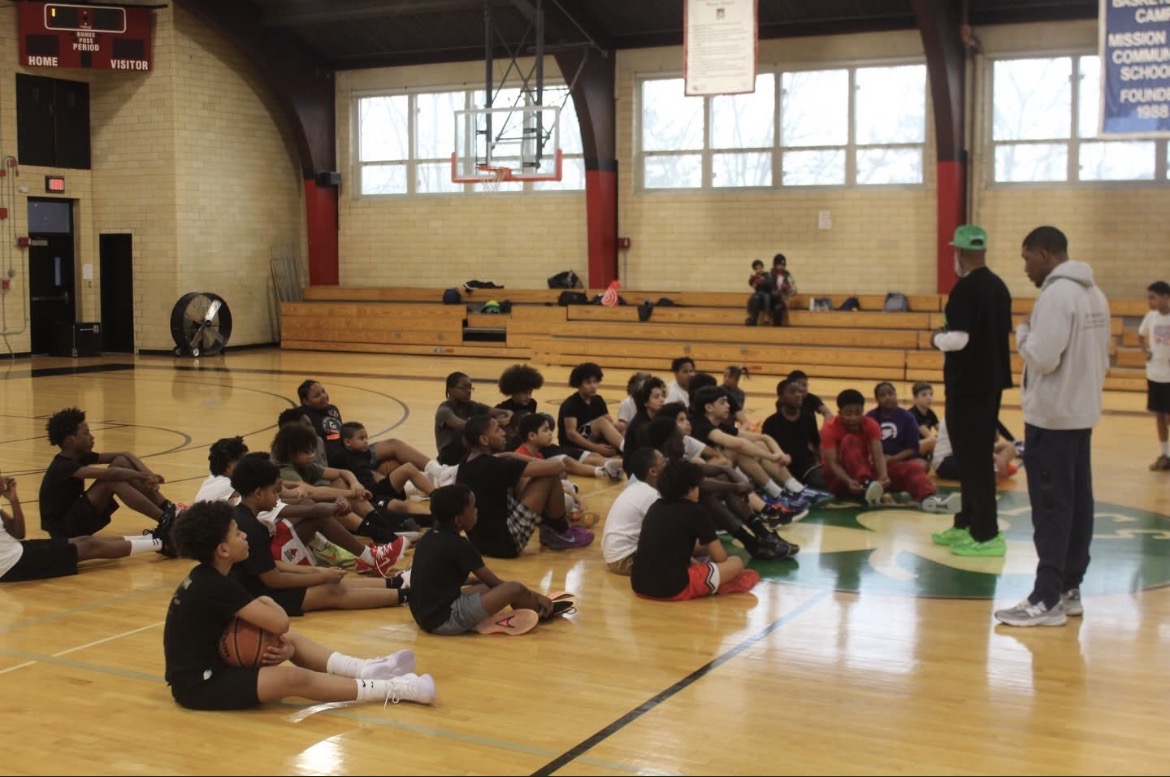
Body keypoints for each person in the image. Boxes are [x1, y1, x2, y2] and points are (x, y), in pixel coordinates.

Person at [163, 500, 434, 711]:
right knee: (293, 679)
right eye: (237, 533)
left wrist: (284, 647)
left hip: (217, 662)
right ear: (222, 550)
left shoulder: (211, 575)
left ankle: (362, 669)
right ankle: (393, 689)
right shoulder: (215, 585)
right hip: (200, 684)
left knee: (288, 640)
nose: (244, 535)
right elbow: (280, 622)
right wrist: (267, 600)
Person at [994, 226, 1110, 627]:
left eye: (1027, 258)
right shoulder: (1095, 294)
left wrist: (1023, 333)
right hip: (1080, 414)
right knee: (1077, 503)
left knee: (1050, 508)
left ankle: (1045, 599)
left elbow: (1043, 358)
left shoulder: (1056, 295)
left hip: (1053, 418)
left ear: (1044, 254)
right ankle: (1068, 588)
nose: (1025, 268)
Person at [228, 453, 409, 613]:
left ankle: (397, 582)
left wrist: (316, 571)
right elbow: (273, 580)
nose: (277, 497)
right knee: (332, 591)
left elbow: (270, 564)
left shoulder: (246, 517)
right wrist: (320, 576)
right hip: (259, 596)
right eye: (274, 492)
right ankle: (408, 595)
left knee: (331, 581)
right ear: (258, 493)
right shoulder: (251, 528)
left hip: (260, 585)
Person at [928, 224, 1014, 557]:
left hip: (967, 387)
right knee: (970, 458)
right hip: (990, 384)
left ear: (960, 253)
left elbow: (960, 339)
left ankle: (986, 534)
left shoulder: (965, 290)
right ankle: (965, 522)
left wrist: (936, 339)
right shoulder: (999, 287)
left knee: (974, 461)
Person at [408, 484, 553, 635]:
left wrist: (473, 581)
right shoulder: (460, 545)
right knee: (514, 589)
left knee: (487, 587)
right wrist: (535, 595)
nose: (477, 511)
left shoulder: (428, 538)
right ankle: (540, 609)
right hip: (445, 620)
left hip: (424, 617)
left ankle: (524, 604)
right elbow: (495, 583)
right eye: (473, 508)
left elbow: (436, 580)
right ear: (458, 520)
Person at [195, 436, 358, 568]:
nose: (249, 466)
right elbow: (282, 492)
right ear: (229, 467)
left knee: (304, 507)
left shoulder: (215, 480)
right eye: (244, 462)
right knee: (308, 509)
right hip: (228, 547)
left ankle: (327, 547)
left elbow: (278, 487)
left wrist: (297, 486)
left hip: (224, 542)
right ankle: (338, 547)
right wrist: (346, 496)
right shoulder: (228, 486)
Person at [38, 407, 178, 553]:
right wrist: (142, 476)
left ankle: (167, 507)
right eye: (86, 433)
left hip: (75, 517)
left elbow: (125, 455)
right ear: (70, 440)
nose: (92, 437)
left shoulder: (79, 456)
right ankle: (166, 521)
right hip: (63, 530)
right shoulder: (62, 466)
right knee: (111, 482)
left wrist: (150, 475)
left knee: (121, 461)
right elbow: (112, 474)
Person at [456, 415, 592, 557]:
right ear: (484, 440)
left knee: (520, 480)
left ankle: (550, 527)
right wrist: (512, 455)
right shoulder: (495, 464)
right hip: (506, 544)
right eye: (497, 430)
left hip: (480, 543)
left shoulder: (465, 462)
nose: (503, 433)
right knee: (549, 475)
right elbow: (558, 467)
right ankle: (561, 531)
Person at [630, 459, 761, 600]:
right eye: (697, 486)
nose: (699, 490)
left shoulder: (655, 507)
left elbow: (667, 550)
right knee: (736, 562)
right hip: (674, 589)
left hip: (639, 585)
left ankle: (710, 578)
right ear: (689, 489)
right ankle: (718, 584)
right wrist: (721, 570)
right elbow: (721, 558)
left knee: (697, 551)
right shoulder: (696, 511)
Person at [0, 475, 163, 582]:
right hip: (12, 565)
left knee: (84, 540)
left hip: (18, 549)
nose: (3, 479)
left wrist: (14, 500)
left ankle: (154, 538)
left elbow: (19, 533)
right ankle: (163, 543)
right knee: (91, 546)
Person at [821, 389, 960, 513]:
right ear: (839, 413)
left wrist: (883, 476)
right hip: (842, 480)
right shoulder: (829, 428)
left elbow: (878, 455)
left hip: (871, 477)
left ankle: (929, 498)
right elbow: (833, 464)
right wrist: (849, 481)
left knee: (912, 467)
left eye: (857, 413)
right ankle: (867, 483)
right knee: (850, 440)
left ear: (863, 411)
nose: (853, 418)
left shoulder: (870, 424)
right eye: (848, 414)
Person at [299, 380, 436, 477]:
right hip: (340, 463)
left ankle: (437, 471)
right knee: (389, 466)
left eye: (323, 391)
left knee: (394, 447)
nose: (323, 396)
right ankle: (423, 482)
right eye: (317, 395)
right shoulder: (304, 418)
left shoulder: (332, 409)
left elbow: (342, 435)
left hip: (352, 450)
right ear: (305, 401)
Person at [601, 448, 663, 575]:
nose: (668, 465)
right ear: (653, 471)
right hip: (625, 559)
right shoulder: (650, 495)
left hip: (616, 556)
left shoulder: (638, 487)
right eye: (664, 462)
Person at [762, 378, 827, 490]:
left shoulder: (809, 418)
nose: (798, 395)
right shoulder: (771, 422)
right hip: (782, 468)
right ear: (781, 397)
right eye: (792, 392)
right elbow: (765, 451)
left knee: (826, 480)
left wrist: (823, 464)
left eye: (799, 392)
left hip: (806, 468)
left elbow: (817, 444)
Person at [514, 413, 621, 481]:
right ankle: (604, 470)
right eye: (546, 430)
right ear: (532, 436)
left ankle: (606, 469)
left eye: (550, 429)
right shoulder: (519, 457)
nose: (550, 433)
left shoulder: (538, 454)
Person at [435, 372, 512, 465]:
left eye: (470, 388)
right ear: (450, 389)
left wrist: (508, 416)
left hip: (468, 453)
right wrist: (497, 422)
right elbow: (465, 425)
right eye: (464, 388)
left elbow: (503, 412)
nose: (468, 391)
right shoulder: (444, 411)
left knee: (499, 421)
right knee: (477, 432)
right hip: (449, 457)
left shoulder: (472, 405)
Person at [557, 362, 627, 457]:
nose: (593, 386)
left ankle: (626, 450)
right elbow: (571, 434)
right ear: (579, 384)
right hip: (573, 444)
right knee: (601, 422)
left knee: (622, 428)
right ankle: (628, 450)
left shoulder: (598, 400)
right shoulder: (571, 403)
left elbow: (610, 423)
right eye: (588, 382)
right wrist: (595, 447)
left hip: (593, 439)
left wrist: (622, 427)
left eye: (595, 382)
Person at [1139, 281, 1170, 471]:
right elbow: (1140, 335)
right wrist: (1146, 352)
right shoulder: (1150, 317)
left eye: (1153, 297)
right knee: (1159, 415)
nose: (1150, 301)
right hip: (1155, 374)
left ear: (1166, 297)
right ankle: (1165, 454)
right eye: (1148, 298)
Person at [866, 382, 923, 465]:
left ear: (896, 395)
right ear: (877, 399)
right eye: (882, 395)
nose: (887, 397)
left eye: (890, 393)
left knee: (922, 464)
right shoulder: (870, 417)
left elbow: (913, 448)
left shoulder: (908, 417)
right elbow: (864, 444)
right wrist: (878, 458)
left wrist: (893, 458)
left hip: (901, 461)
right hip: (876, 462)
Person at [495, 363, 544, 447]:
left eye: (530, 392)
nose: (528, 397)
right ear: (513, 391)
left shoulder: (532, 403)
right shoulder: (502, 408)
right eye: (524, 393)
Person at [909, 381, 939, 460]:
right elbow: (927, 435)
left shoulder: (930, 413)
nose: (929, 397)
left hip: (922, 445)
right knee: (933, 440)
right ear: (915, 398)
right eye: (924, 395)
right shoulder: (912, 414)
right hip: (908, 449)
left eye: (931, 394)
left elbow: (940, 429)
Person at [764, 253, 797, 326]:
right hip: (771, 300)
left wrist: (788, 288)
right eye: (779, 265)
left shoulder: (788, 275)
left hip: (782, 299)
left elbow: (794, 291)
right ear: (775, 265)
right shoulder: (769, 275)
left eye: (782, 265)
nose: (781, 267)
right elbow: (766, 288)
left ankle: (777, 328)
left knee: (777, 308)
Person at [745, 259, 776, 326]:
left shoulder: (767, 275)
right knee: (753, 298)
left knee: (766, 296)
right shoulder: (755, 276)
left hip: (767, 293)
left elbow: (770, 284)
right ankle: (752, 318)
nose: (759, 270)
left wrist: (763, 280)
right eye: (757, 269)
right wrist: (753, 278)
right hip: (759, 294)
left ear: (763, 268)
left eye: (760, 268)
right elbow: (751, 283)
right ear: (755, 270)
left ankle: (766, 316)